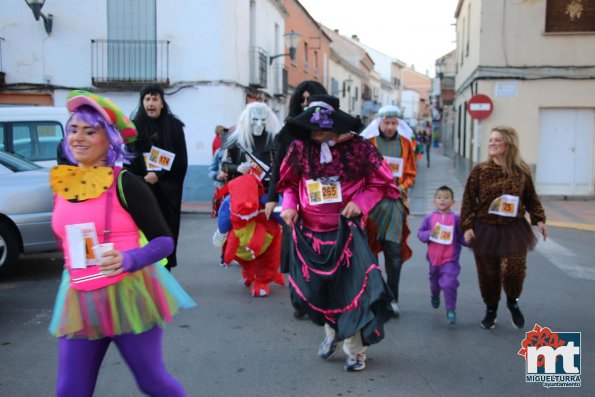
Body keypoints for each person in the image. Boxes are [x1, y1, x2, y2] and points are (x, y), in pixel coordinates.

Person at [49, 90, 195, 396]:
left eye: (90, 131)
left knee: (152, 382)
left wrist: (128, 260)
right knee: (70, 390)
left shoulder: (125, 182)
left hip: (130, 295)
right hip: (79, 297)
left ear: (110, 140)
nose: (78, 138)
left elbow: (164, 242)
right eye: (73, 130)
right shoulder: (63, 184)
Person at [277, 95, 397, 372]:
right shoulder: (299, 148)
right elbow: (289, 184)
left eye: (321, 128)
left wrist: (360, 204)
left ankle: (355, 350)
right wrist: (289, 206)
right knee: (322, 290)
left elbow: (380, 183)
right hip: (310, 234)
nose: (315, 133)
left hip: (348, 231)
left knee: (353, 290)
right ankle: (332, 332)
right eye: (311, 127)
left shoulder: (359, 148)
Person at [460, 125, 547, 330]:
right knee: (488, 274)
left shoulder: (521, 171)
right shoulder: (480, 170)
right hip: (485, 228)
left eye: (497, 140)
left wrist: (539, 219)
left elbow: (531, 198)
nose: (492, 143)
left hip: (513, 228)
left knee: (514, 271)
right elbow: (468, 201)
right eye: (491, 140)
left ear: (508, 144)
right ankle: (491, 310)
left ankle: (512, 300)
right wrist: (466, 226)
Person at [265, 80, 328, 284]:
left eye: (310, 100)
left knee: (323, 244)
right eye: (302, 100)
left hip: (326, 197)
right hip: (296, 194)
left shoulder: (331, 129)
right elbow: (278, 167)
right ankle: (300, 289)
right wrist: (272, 197)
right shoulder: (289, 131)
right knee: (296, 240)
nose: (305, 104)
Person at [360, 105, 416, 318]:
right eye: (386, 123)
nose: (390, 127)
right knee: (369, 252)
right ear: (379, 123)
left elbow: (410, 173)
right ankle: (374, 297)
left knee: (394, 253)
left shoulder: (405, 144)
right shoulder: (369, 144)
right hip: (372, 205)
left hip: (394, 205)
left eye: (394, 123)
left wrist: (401, 187)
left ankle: (393, 298)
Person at [126, 84, 188, 270]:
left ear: (162, 103)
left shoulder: (174, 127)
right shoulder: (134, 127)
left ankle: (165, 271)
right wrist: (141, 180)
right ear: (142, 102)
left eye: (155, 99)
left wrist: (159, 175)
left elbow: (181, 161)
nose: (151, 103)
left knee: (166, 233)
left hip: (167, 194)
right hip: (142, 192)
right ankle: (145, 272)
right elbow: (129, 161)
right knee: (143, 235)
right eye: (147, 99)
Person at [212, 102, 281, 248]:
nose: (259, 124)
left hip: (268, 190)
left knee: (284, 211)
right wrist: (238, 168)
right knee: (226, 207)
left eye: (262, 120)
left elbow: (280, 164)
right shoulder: (234, 138)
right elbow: (224, 164)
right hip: (244, 190)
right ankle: (222, 234)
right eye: (255, 119)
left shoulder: (274, 139)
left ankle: (295, 241)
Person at [417, 186, 467, 325]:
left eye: (446, 197)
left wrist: (470, 240)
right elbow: (420, 234)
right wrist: (429, 234)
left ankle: (451, 310)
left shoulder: (457, 219)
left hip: (450, 260)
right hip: (433, 260)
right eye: (439, 197)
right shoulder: (430, 218)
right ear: (434, 201)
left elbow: (462, 238)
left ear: (453, 201)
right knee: (434, 283)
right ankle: (435, 294)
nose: (442, 200)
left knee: (450, 283)